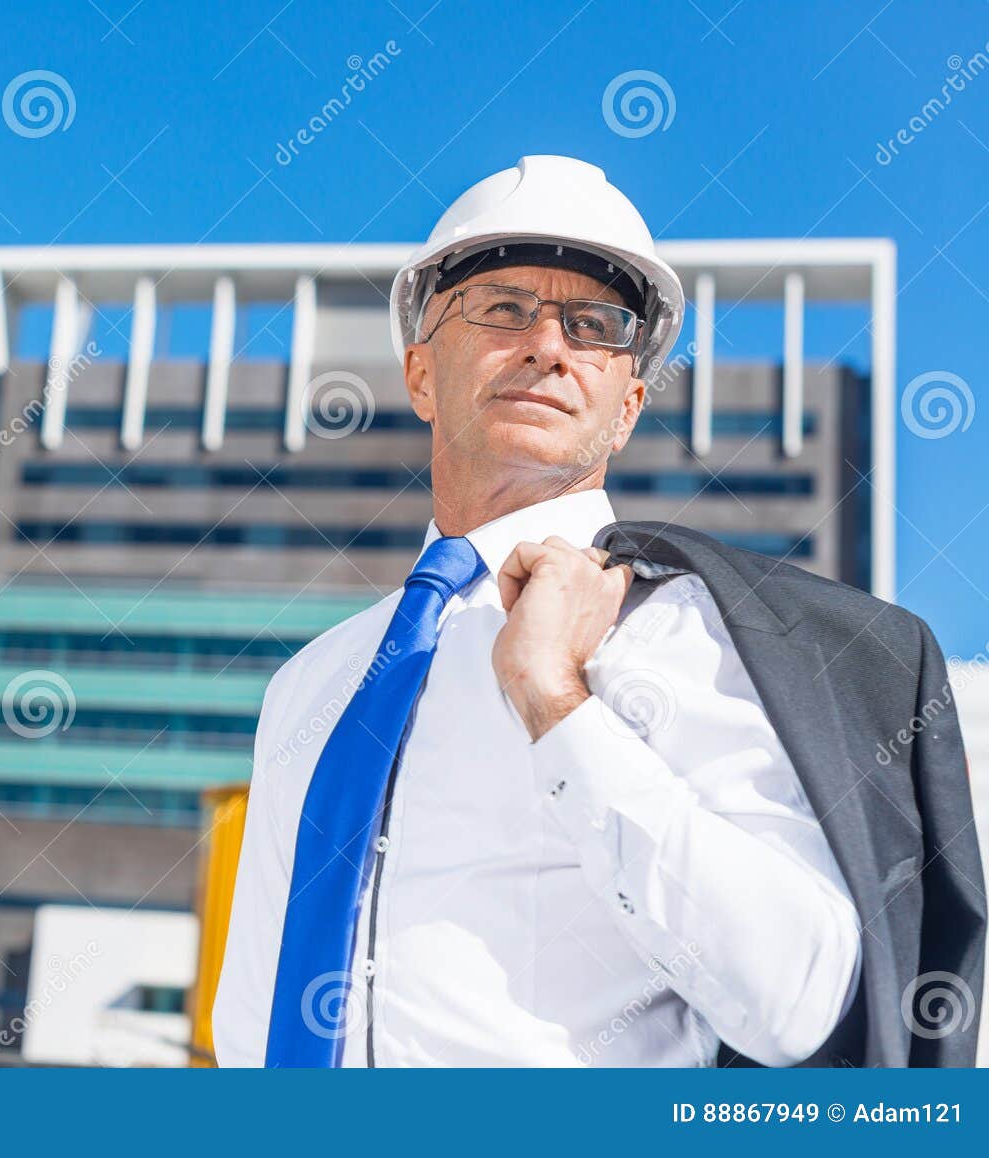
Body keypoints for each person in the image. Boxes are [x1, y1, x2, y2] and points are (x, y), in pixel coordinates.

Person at [212, 154, 983, 1068]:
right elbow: (252, 1013)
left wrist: (559, 709)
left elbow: (803, 999)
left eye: (595, 324)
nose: (549, 345)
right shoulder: (309, 688)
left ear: (627, 410)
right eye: (503, 310)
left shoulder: (699, 635)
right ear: (420, 375)